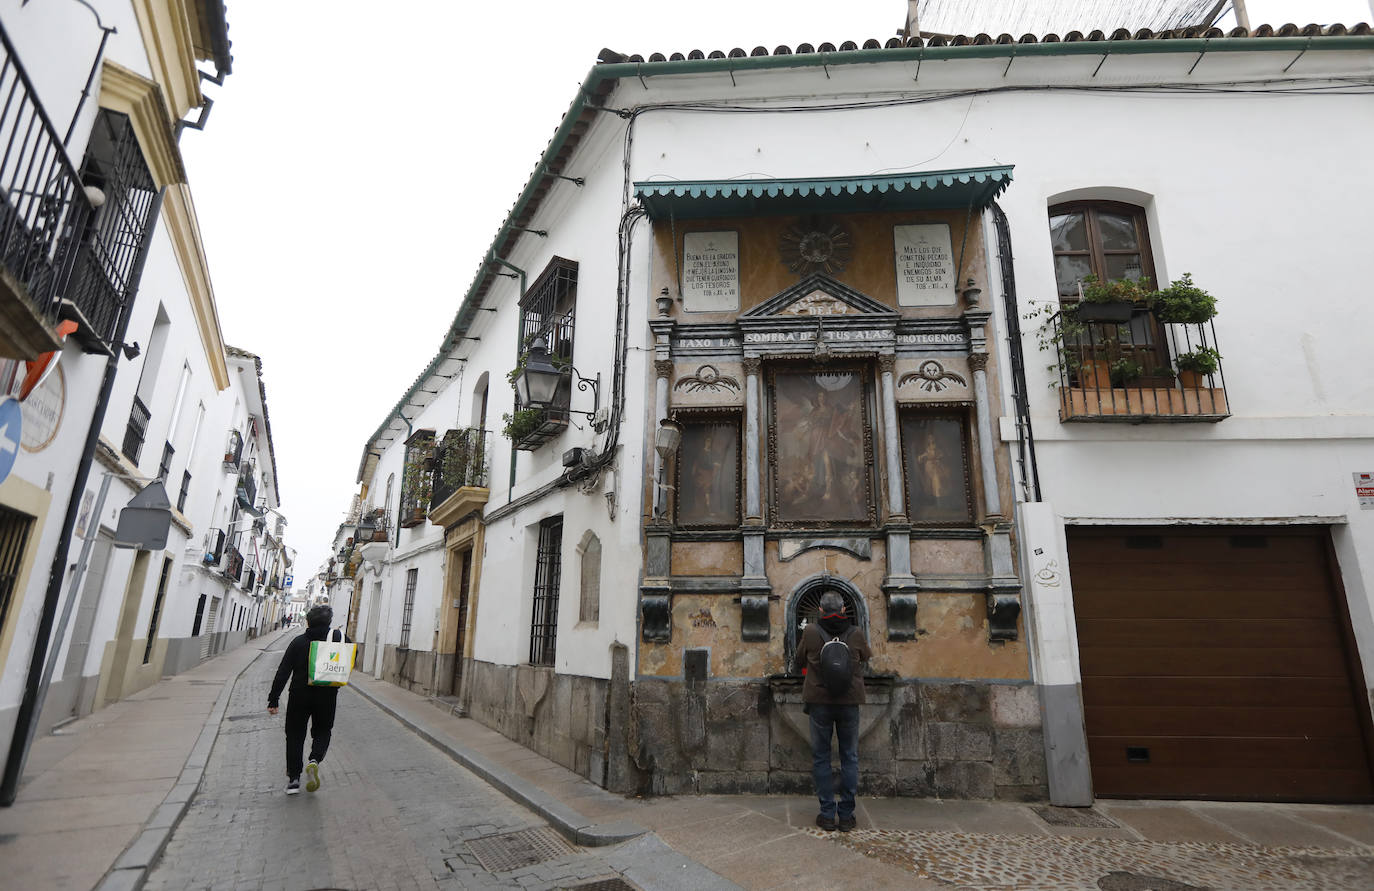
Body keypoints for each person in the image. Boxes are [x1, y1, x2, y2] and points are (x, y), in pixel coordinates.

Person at [792, 590, 872, 832]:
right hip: (849, 701)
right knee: (850, 756)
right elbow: (866, 657)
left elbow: (798, 660)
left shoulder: (811, 632)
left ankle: (827, 814)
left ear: (820, 611)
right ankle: (846, 816)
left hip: (819, 701)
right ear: (845, 610)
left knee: (821, 757)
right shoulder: (856, 633)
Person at [267, 604, 348, 795]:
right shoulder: (339, 639)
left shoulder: (299, 642)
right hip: (327, 696)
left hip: (299, 696)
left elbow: (283, 672)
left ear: (308, 622)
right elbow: (350, 658)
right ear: (329, 622)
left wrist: (274, 699)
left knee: (295, 735)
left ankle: (294, 779)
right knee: (323, 730)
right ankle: (314, 760)